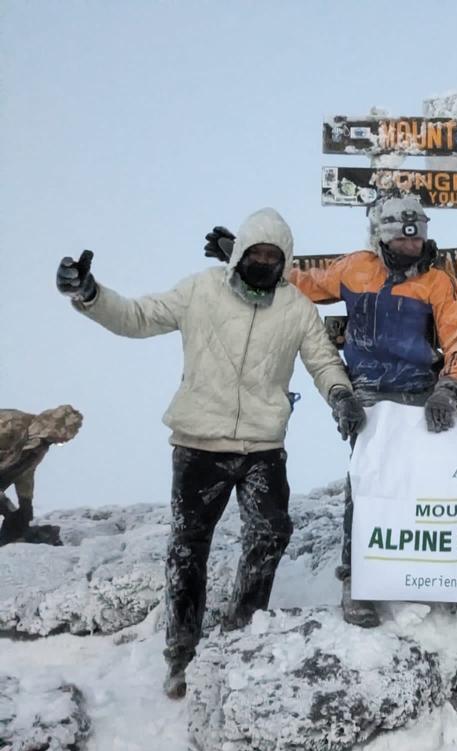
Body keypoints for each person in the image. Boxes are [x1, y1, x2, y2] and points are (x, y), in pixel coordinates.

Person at [58, 207, 364, 699]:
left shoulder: (296, 307)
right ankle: (181, 654)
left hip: (263, 447)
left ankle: (244, 628)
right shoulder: (200, 290)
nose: (264, 262)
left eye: (274, 256)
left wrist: (341, 396)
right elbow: (138, 316)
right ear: (240, 253)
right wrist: (90, 295)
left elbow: (323, 361)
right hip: (198, 445)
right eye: (256, 253)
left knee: (270, 533)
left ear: (284, 261)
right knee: (188, 549)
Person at [204, 196, 457, 627]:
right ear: (382, 237)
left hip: (420, 393)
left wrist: (448, 388)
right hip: (366, 392)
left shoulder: (439, 282)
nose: (412, 244)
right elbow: (300, 283)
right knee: (366, 488)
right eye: (403, 238)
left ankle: (423, 572)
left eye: (418, 235)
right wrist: (240, 254)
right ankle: (358, 583)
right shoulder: (355, 268)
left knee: (425, 486)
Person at [0, 405, 83, 545]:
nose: (63, 441)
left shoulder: (39, 445)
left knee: (16, 519)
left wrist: (25, 503)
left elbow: (24, 473)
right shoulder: (10, 424)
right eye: (63, 436)